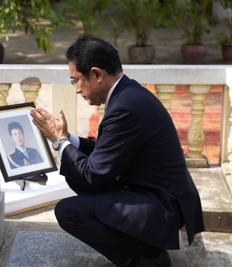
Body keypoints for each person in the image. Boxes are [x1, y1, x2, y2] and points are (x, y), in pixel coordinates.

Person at [30, 36, 204, 267]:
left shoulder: (125, 107)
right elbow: (106, 154)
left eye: (76, 81)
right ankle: (144, 245)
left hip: (163, 206)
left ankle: (147, 257)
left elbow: (94, 173)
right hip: (152, 194)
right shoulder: (127, 94)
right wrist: (68, 138)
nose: (77, 91)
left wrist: (58, 140)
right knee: (75, 176)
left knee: (69, 212)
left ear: (97, 75)